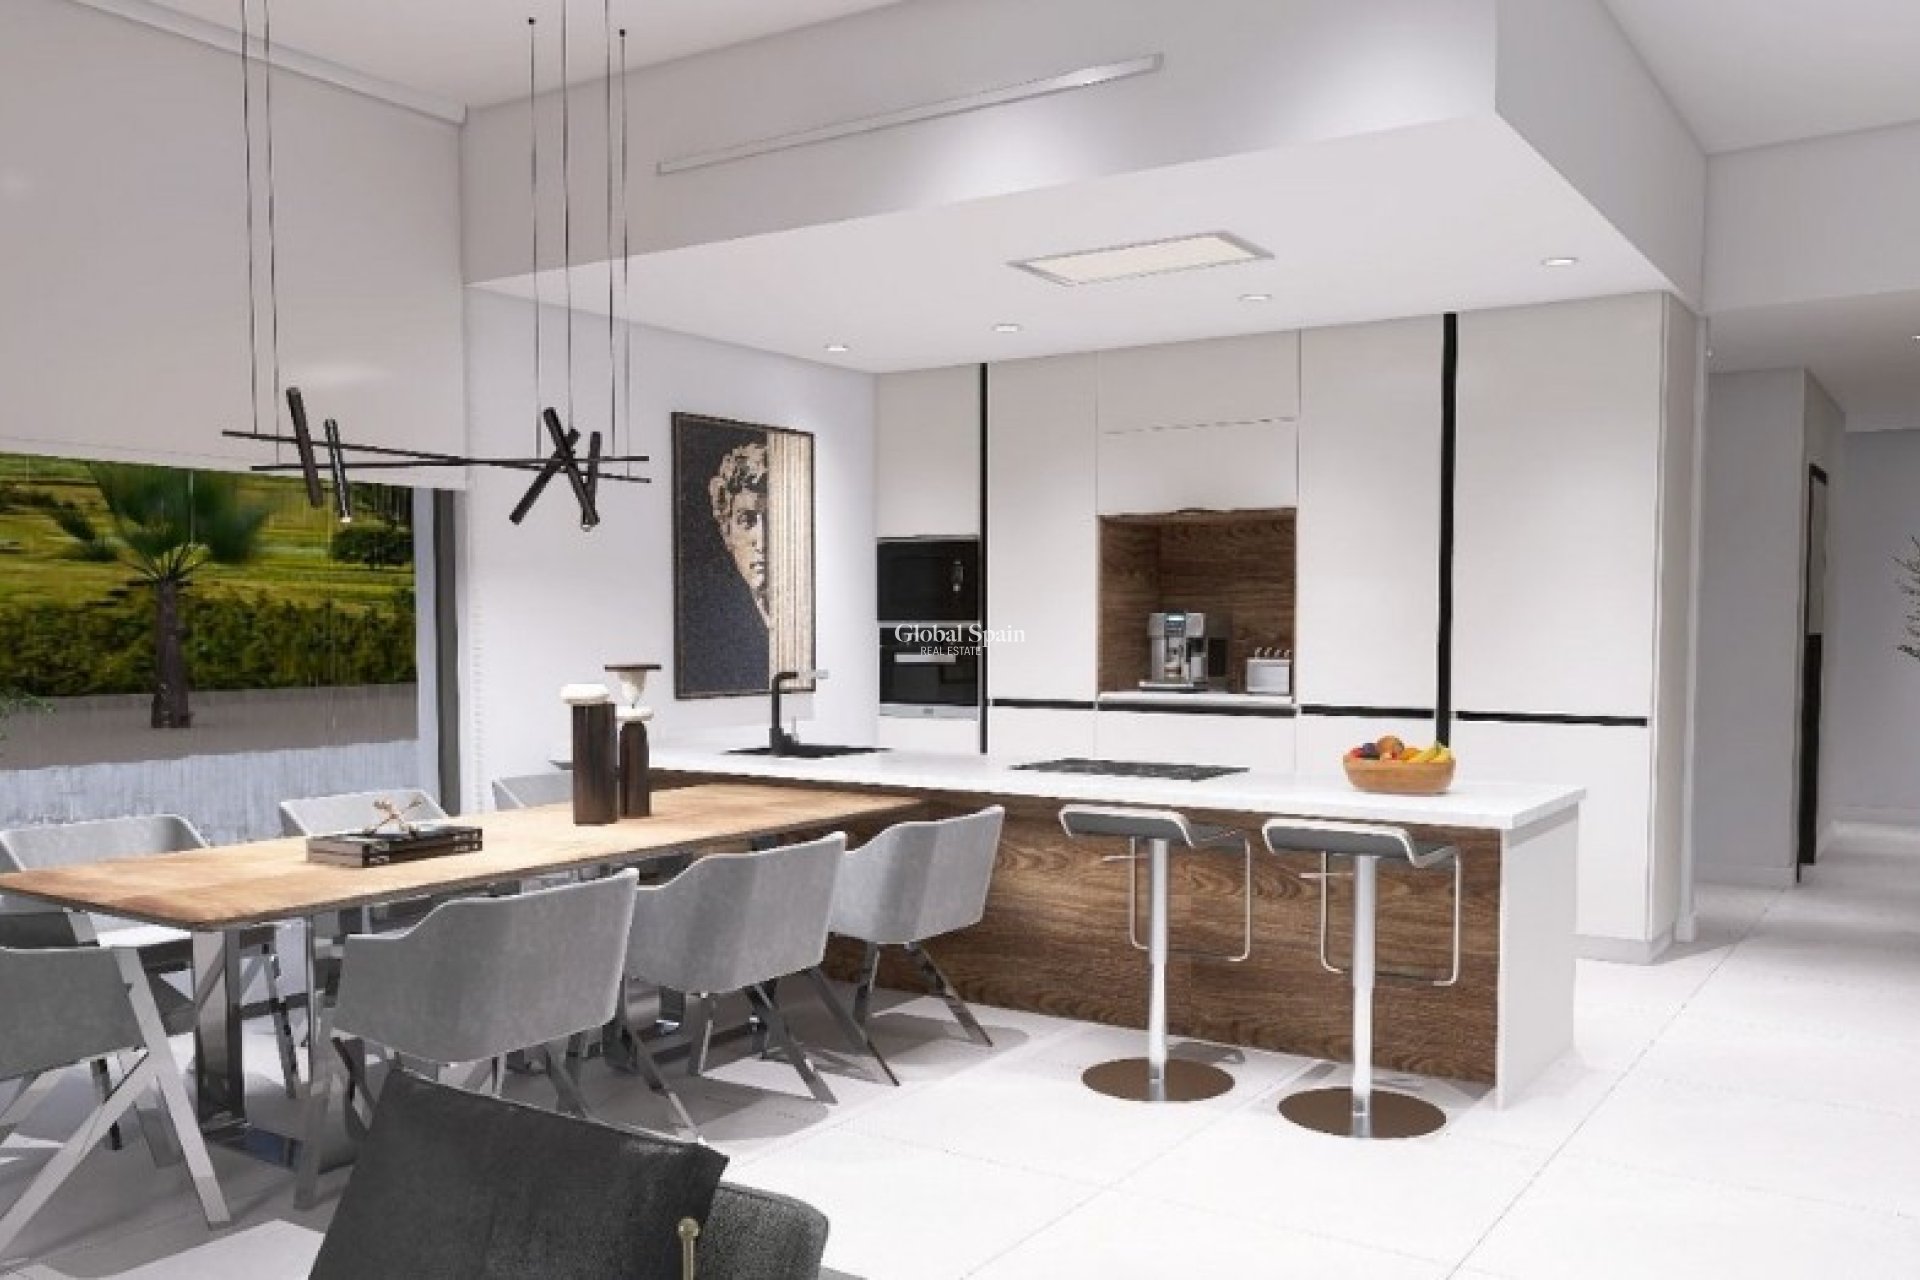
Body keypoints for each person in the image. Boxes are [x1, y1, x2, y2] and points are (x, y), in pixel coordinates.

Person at [708, 441, 771, 626]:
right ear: (727, 531)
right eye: (747, 520)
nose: (762, 541)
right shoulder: (721, 612)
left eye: (772, 521)